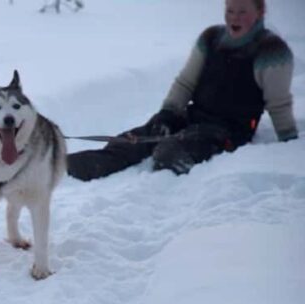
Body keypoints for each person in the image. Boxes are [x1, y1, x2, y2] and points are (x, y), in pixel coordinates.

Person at [68, 0, 297, 181]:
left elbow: (279, 103)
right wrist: (167, 114)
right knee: (133, 141)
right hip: (193, 115)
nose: (234, 18)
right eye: (230, 10)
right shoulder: (211, 38)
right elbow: (186, 83)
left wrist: (289, 142)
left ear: (260, 11)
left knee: (170, 153)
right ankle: (63, 166)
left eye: (242, 11)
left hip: (229, 130)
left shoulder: (272, 51)